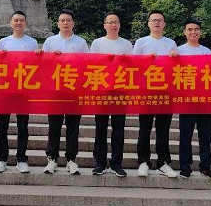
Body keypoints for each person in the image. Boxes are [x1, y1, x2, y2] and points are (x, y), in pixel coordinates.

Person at [132, 10, 179, 178]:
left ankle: (163, 162)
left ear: (164, 24)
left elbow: (177, 67)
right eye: (153, 20)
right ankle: (143, 161)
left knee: (163, 129)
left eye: (160, 20)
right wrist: (146, 60)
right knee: (144, 128)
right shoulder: (141, 42)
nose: (157, 22)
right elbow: (133, 65)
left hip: (166, 92)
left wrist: (175, 56)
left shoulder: (171, 43)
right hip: (146, 91)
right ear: (148, 23)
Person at [42, 9, 89, 175]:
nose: (65, 23)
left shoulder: (81, 43)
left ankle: (71, 160)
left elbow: (88, 65)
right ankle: (52, 159)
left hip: (74, 91)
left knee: (73, 126)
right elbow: (42, 65)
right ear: (58, 23)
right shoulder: (50, 41)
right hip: (55, 91)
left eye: (68, 20)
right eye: (62, 20)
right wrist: (51, 57)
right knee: (54, 126)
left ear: (73, 23)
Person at [0, 11, 38, 174]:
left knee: (23, 126)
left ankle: (21, 159)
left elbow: (36, 64)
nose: (18, 23)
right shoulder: (3, 42)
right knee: (2, 125)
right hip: (6, 88)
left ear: (26, 23)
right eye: (16, 20)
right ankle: (1, 158)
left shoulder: (32, 42)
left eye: (21, 20)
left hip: (24, 89)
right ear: (11, 23)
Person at [89, 12, 133, 177]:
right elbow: (90, 65)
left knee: (118, 129)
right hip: (102, 91)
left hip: (120, 92)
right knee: (100, 128)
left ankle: (116, 163)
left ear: (119, 25)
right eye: (110, 22)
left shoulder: (127, 44)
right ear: (105, 25)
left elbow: (133, 67)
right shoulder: (97, 43)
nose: (113, 25)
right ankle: (100, 163)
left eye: (116, 22)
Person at [177, 18, 211, 180]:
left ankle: (205, 166)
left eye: (196, 29)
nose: (193, 32)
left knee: (205, 136)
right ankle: (185, 166)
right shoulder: (178, 51)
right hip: (186, 100)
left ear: (200, 32)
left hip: (204, 100)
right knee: (185, 135)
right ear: (184, 32)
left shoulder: (207, 52)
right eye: (190, 29)